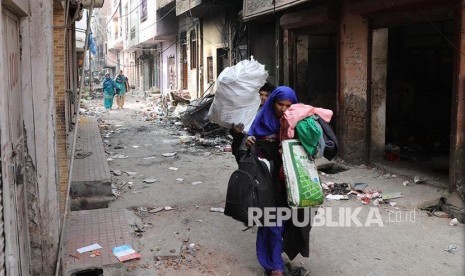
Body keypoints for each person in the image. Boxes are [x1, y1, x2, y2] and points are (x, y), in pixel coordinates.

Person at [246, 86, 309, 276]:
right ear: (273, 102)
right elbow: (250, 142)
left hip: (289, 181)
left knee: (291, 220)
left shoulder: (297, 121)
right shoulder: (262, 118)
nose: (283, 109)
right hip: (267, 180)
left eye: (288, 105)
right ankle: (275, 267)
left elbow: (307, 148)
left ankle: (275, 260)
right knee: (272, 221)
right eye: (280, 104)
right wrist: (250, 141)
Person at [230, 82, 275, 164]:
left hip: (261, 150)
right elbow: (233, 128)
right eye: (261, 94)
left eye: (266, 95)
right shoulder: (246, 109)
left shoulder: (271, 112)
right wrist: (236, 131)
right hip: (243, 149)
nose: (263, 98)